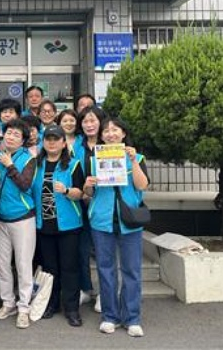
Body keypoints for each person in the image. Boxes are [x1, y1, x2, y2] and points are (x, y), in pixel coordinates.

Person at [82, 117, 149, 337]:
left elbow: (142, 185)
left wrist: (133, 161)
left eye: (115, 130)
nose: (110, 134)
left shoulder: (137, 157)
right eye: (106, 131)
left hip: (129, 220)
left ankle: (132, 318)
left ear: (123, 133)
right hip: (102, 220)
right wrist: (87, 185)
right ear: (101, 136)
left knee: (131, 270)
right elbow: (88, 193)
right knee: (105, 269)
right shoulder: (93, 159)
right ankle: (109, 316)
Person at [32, 125, 85, 326]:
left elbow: (81, 193)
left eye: (56, 139)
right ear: (43, 142)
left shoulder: (73, 164)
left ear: (64, 143)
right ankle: (51, 304)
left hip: (68, 225)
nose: (52, 142)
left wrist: (66, 191)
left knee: (69, 268)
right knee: (49, 268)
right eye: (48, 138)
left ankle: (72, 309)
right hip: (43, 225)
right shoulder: (36, 165)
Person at [0, 119, 37, 330]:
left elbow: (25, 184)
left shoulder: (29, 159)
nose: (10, 137)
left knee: (23, 264)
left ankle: (24, 307)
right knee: (2, 265)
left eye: (16, 135)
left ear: (23, 141)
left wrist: (10, 165)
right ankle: (7, 303)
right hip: (1, 218)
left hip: (23, 218)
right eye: (8, 133)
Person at [73, 106, 107, 309]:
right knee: (81, 249)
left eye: (93, 120)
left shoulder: (109, 145)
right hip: (81, 205)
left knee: (103, 250)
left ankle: (104, 292)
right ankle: (85, 289)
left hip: (103, 204)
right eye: (85, 121)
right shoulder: (77, 146)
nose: (89, 124)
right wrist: (83, 192)